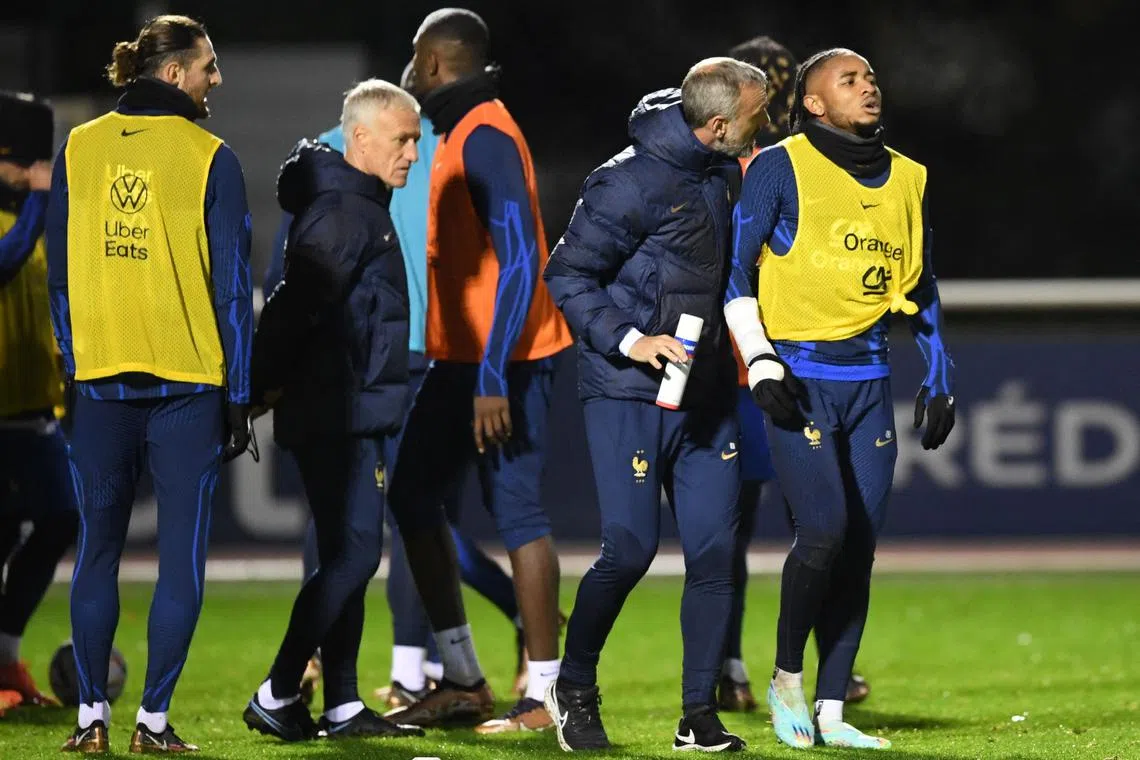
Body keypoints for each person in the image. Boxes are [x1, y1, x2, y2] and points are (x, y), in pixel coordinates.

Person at [263, 60, 530, 710]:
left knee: (358, 528)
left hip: (380, 364)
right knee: (397, 522)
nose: (411, 148)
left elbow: (281, 277)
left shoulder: (329, 162)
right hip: (405, 362)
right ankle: (399, 668)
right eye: (402, 136)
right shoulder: (444, 148)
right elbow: (496, 253)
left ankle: (344, 682)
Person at [724, 48, 955, 749]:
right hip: (798, 379)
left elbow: (923, 289)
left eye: (873, 78)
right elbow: (736, 275)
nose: (869, 87)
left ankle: (830, 709)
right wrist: (760, 362)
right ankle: (786, 677)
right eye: (850, 80)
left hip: (869, 383)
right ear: (816, 103)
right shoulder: (780, 167)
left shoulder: (909, 178)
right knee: (822, 530)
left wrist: (940, 373)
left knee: (860, 547)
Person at [543, 57, 771, 753]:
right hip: (629, 389)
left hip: (701, 392)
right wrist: (633, 339)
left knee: (713, 552)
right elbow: (568, 274)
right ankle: (572, 686)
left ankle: (696, 715)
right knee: (631, 548)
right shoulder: (625, 181)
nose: (768, 128)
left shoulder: (724, 170)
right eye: (760, 116)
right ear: (720, 124)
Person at [46, 15, 254, 753]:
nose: (216, 81)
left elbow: (61, 275)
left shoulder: (78, 146)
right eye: (208, 67)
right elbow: (232, 288)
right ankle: (153, 725)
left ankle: (89, 720)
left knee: (96, 551)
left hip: (99, 386)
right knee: (179, 557)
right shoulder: (211, 158)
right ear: (173, 75)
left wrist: (77, 365)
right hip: (186, 387)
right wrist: (239, 396)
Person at [383, 7, 572, 734]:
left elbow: (524, 256)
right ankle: (462, 677)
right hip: (464, 358)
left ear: (432, 63)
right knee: (411, 495)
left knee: (517, 509)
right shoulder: (458, 130)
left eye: (413, 56)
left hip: (509, 359)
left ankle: (548, 692)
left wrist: (494, 375)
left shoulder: (485, 131)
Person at [240, 79, 427, 743]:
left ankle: (342, 704)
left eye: (415, 139)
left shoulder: (355, 204)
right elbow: (292, 309)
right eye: (402, 139)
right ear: (361, 138)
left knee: (350, 555)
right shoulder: (345, 211)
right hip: (338, 410)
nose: (412, 151)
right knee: (353, 556)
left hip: (347, 406)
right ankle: (279, 688)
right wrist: (255, 391)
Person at [717, 35, 870, 712]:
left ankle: (749, 668)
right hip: (756, 365)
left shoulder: (769, 165)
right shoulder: (763, 167)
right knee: (802, 524)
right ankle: (775, 666)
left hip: (752, 366)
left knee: (765, 523)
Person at [0, 91, 77, 709]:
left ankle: (4, 657)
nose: (33, 170)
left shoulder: (37, 217)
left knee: (61, 519)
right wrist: (42, 201)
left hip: (34, 413)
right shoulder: (25, 219)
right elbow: (5, 262)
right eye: (23, 159)